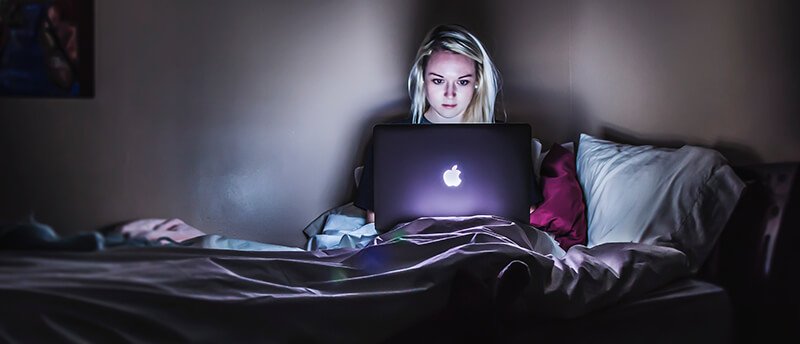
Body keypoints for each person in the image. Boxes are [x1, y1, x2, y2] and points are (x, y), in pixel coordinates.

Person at [354, 24, 543, 224]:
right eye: (438, 81)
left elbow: (526, 211)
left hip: (484, 241)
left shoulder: (505, 140)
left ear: (477, 81)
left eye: (462, 82)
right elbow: (375, 218)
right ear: (422, 79)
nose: (450, 94)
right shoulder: (389, 141)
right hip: (414, 244)